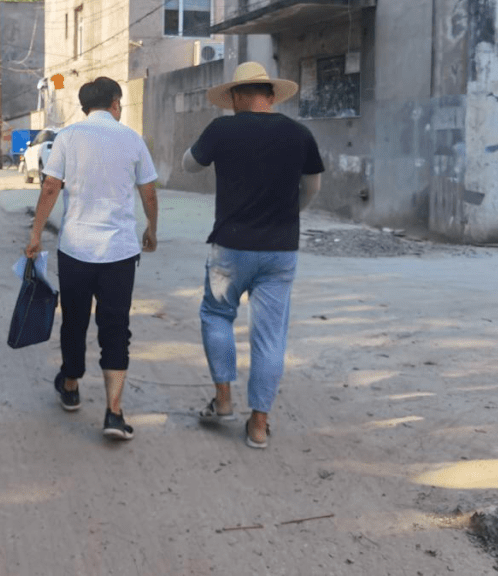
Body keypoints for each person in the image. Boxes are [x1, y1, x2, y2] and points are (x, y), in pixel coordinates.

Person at [182, 61, 323, 449]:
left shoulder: (222, 129)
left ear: (234, 97)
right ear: (272, 95)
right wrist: (291, 211)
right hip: (280, 251)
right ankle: (259, 424)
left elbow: (188, 164)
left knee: (216, 314)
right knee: (270, 336)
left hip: (230, 248)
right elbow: (312, 185)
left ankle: (223, 398)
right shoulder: (299, 133)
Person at [25, 77, 158, 441]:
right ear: (116, 102)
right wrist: (152, 229)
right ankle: (114, 413)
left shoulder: (67, 137)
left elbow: (51, 186)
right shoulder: (131, 138)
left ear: (85, 106)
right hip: (119, 252)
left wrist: (36, 233)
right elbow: (148, 191)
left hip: (77, 250)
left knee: (75, 321)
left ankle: (70, 385)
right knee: (116, 327)